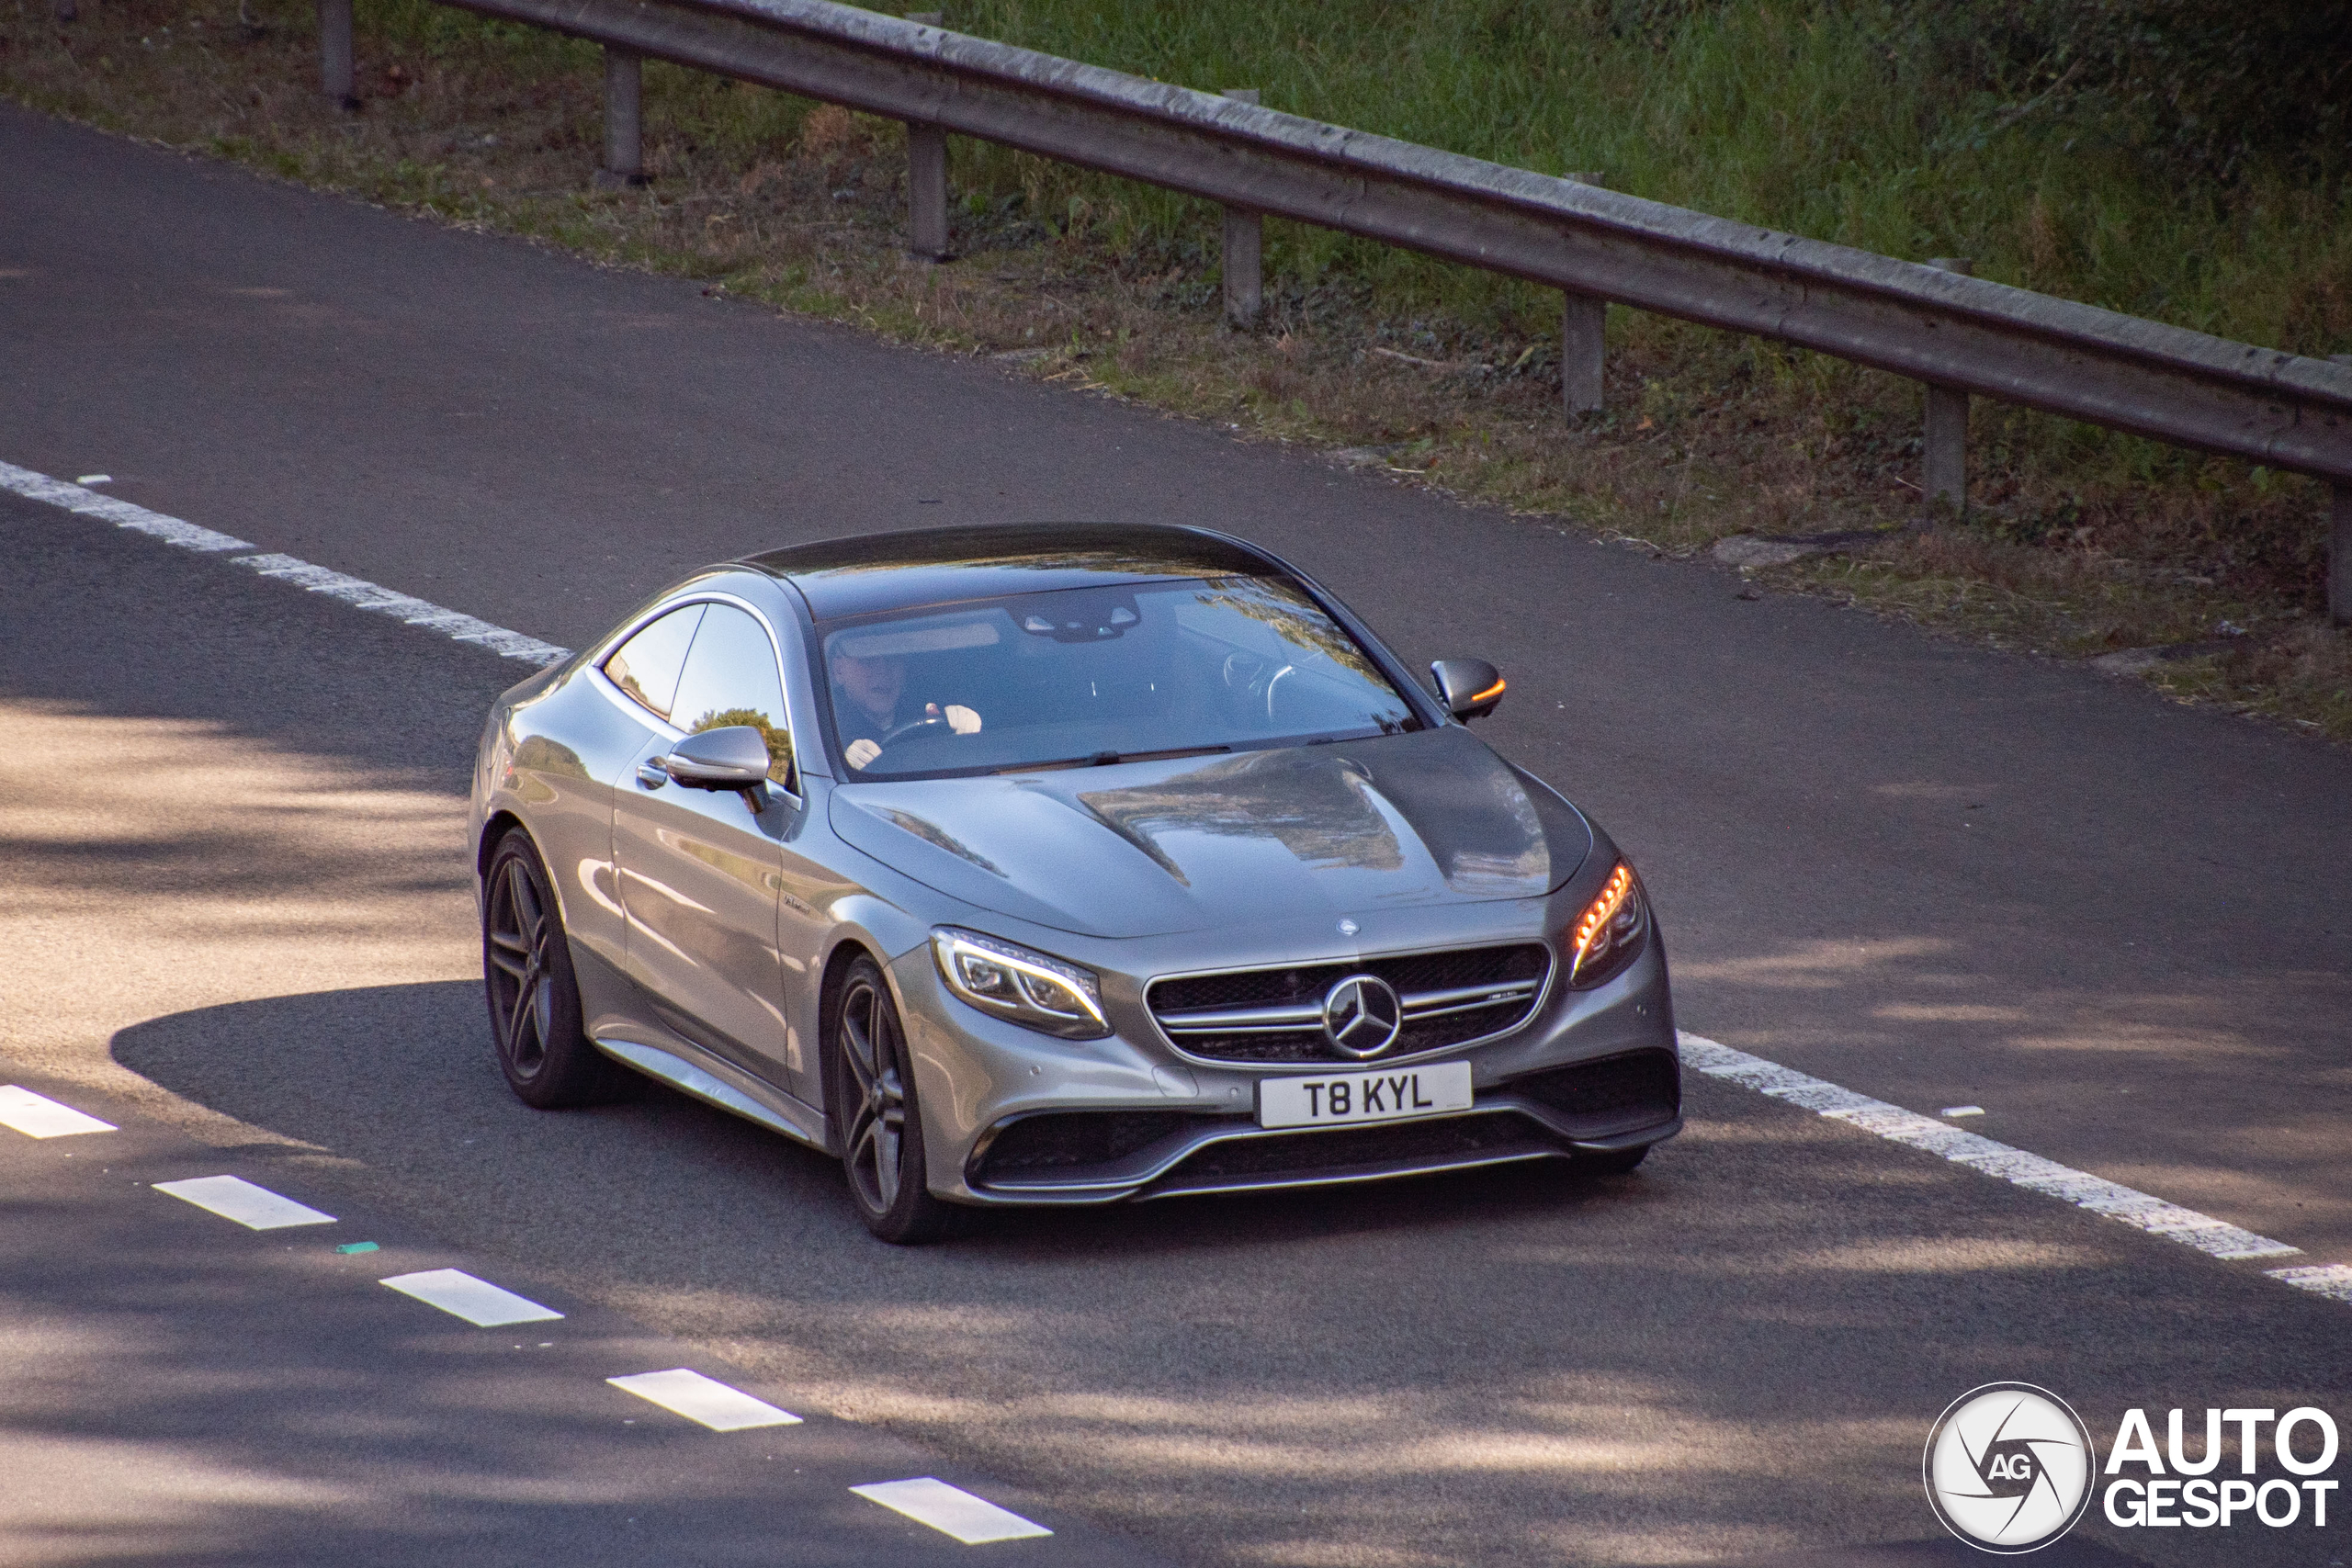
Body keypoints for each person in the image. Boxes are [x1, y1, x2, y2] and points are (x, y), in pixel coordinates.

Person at [831, 649, 980, 770]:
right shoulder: (821, 728)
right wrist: (843, 766)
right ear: (839, 671)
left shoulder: (930, 710)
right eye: (867, 660)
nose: (882, 671)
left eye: (892, 659)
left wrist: (967, 726)